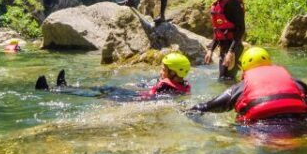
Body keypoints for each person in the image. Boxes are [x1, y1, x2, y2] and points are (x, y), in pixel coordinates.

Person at [189, 47, 307, 125]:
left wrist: (188, 110)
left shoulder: (240, 87)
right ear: (269, 63)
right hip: (300, 124)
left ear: (244, 68)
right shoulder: (295, 82)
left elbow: (207, 107)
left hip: (261, 129)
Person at [35, 52, 191, 100]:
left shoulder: (168, 89)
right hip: (134, 95)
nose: (160, 71)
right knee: (105, 88)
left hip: (131, 99)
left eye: (163, 69)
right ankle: (65, 87)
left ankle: (50, 90)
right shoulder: (180, 85)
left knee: (100, 94)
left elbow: (154, 96)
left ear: (174, 72)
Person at [204, 0, 245, 80]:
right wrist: (210, 50)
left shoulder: (234, 2)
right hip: (224, 47)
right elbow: (218, 31)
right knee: (224, 78)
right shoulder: (217, 4)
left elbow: (241, 28)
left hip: (234, 46)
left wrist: (231, 52)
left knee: (225, 79)